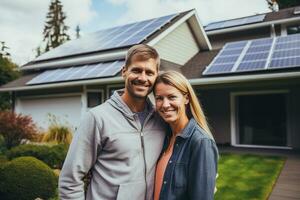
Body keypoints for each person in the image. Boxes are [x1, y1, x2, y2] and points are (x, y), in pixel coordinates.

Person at [59, 44, 167, 200]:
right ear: (124, 72)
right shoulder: (97, 118)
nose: (143, 78)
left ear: (156, 76)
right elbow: (70, 180)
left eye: (149, 72)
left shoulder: (160, 120)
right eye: (136, 70)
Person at [153, 71, 218, 200]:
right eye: (159, 98)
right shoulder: (164, 137)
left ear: (186, 98)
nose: (165, 105)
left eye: (172, 97)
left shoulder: (200, 142)